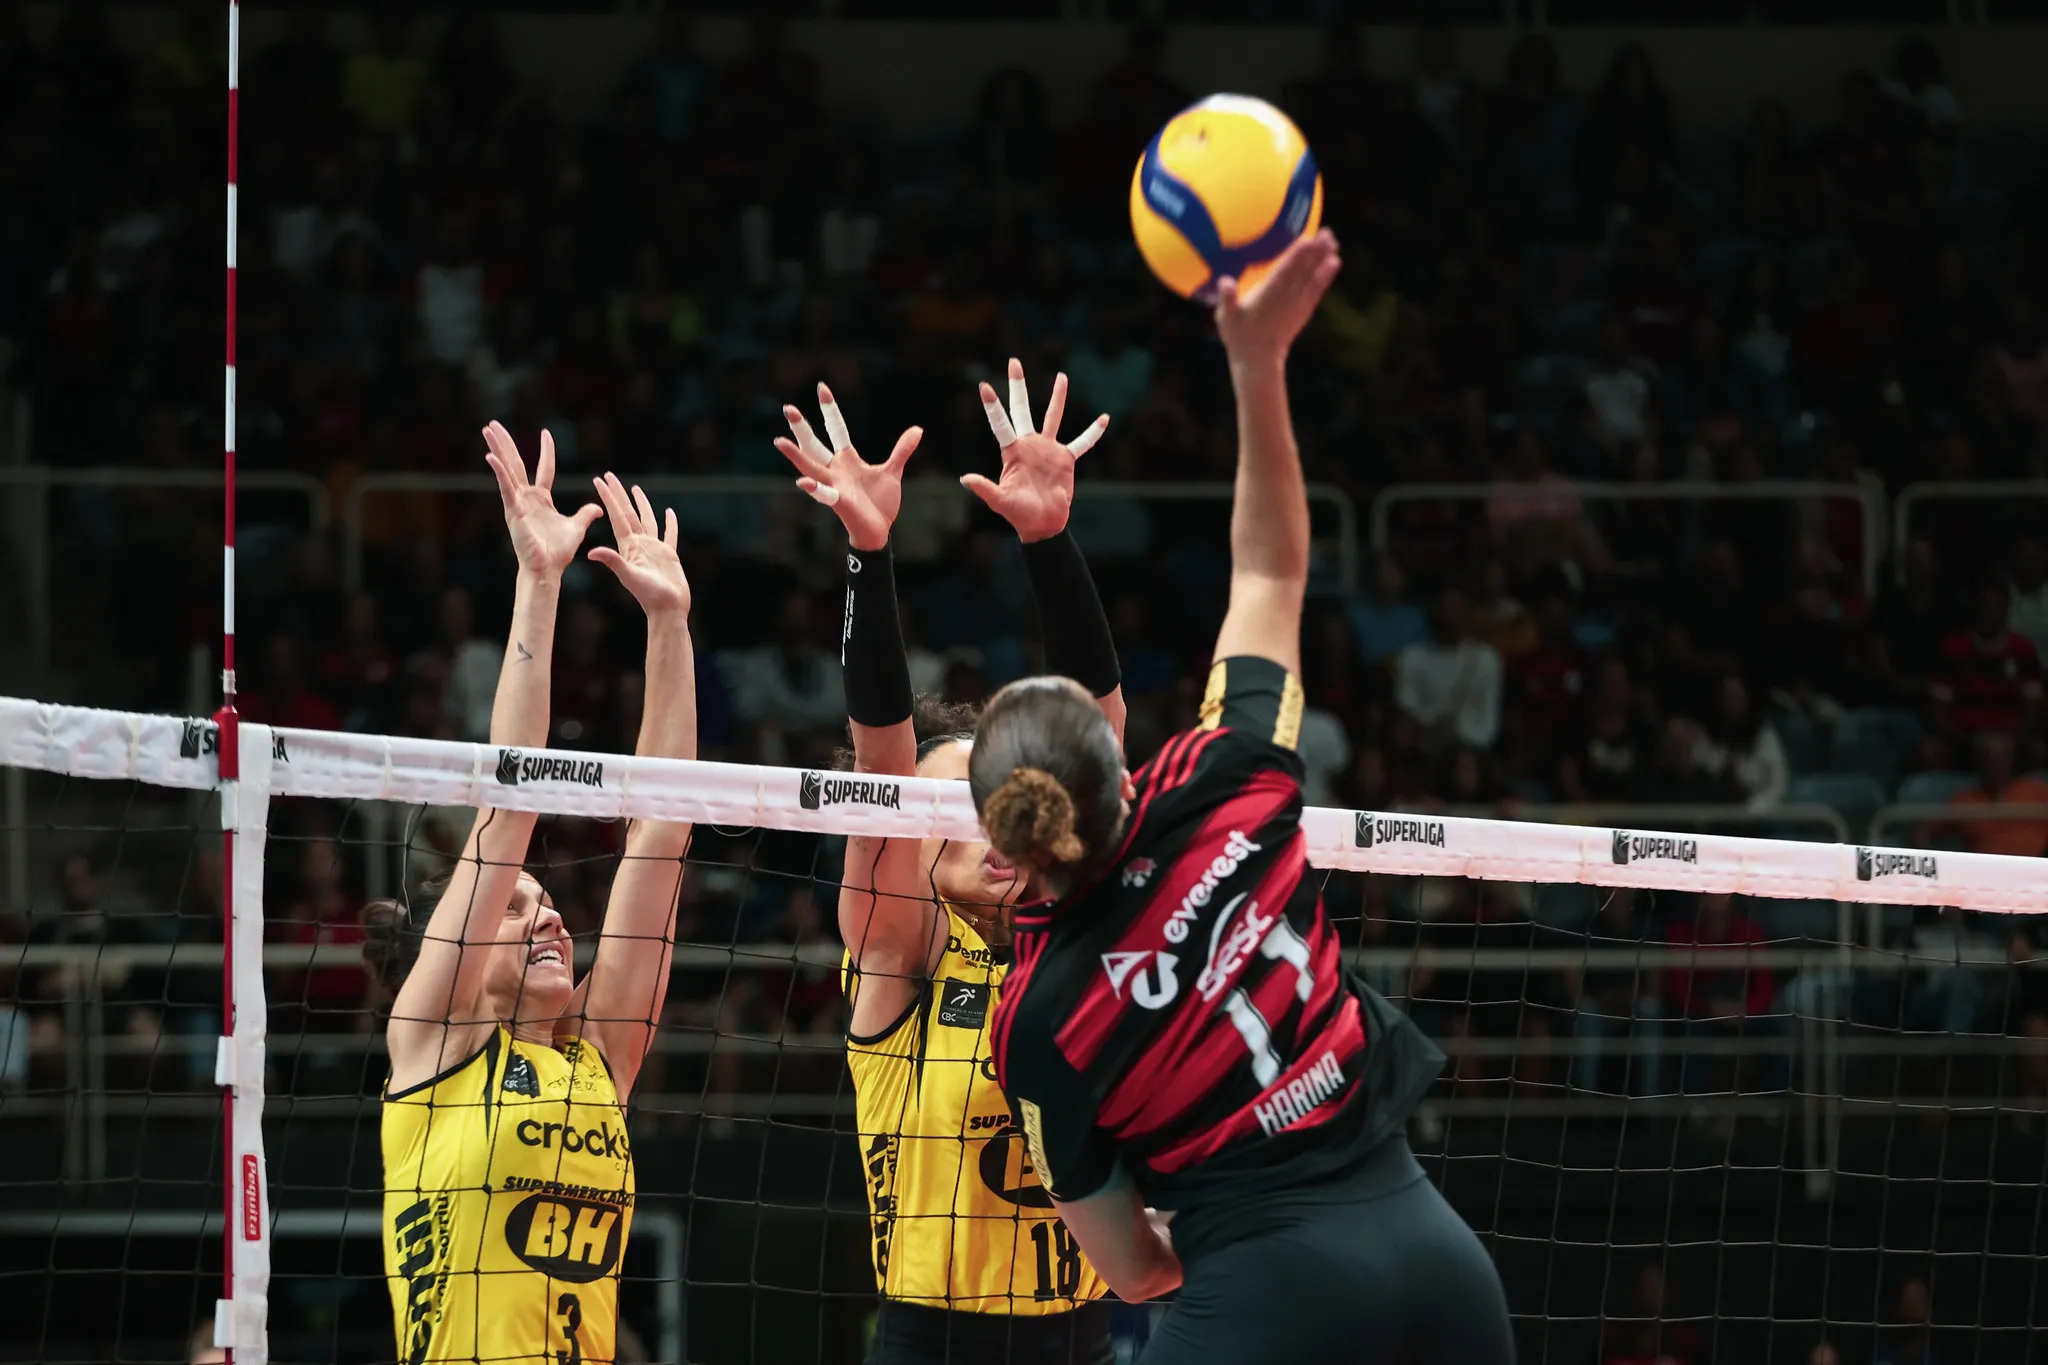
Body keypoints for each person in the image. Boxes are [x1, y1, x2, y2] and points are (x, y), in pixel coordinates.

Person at [967, 232, 1511, 1363]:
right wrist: (1255, 364)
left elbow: (1128, 1267)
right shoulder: (1226, 783)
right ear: (1120, 772)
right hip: (1439, 1261)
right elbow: (1269, 573)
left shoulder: (1036, 1024)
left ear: (1005, 848)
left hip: (1260, 1290)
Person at [775, 360, 1121, 1363]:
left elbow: (1097, 740)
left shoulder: (1073, 933)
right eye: (950, 810)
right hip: (934, 1341)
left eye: (994, 801)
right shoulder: (898, 959)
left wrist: (1049, 544)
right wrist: (867, 554)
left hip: (1084, 1338)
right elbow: (879, 757)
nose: (989, 828)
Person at [365, 424, 698, 1365]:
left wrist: (669, 626)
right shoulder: (432, 1047)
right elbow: (507, 812)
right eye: (515, 905)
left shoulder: (600, 1060)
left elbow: (666, 829)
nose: (547, 911)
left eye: (543, 901)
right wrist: (539, 582)